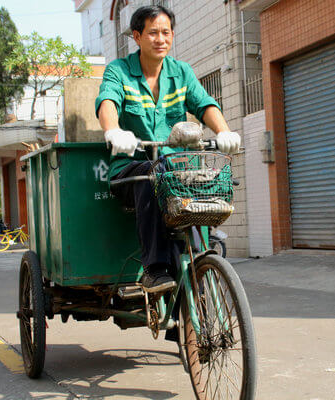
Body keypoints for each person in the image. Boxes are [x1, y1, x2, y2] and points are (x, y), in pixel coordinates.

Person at [95, 5, 240, 293]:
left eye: (166, 32)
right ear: (136, 36)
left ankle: (200, 253)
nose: (160, 39)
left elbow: (204, 103)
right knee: (153, 176)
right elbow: (107, 101)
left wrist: (224, 131)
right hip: (130, 171)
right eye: (152, 33)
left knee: (206, 179)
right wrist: (113, 131)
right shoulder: (119, 71)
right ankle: (155, 269)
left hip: (174, 171)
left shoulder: (181, 72)